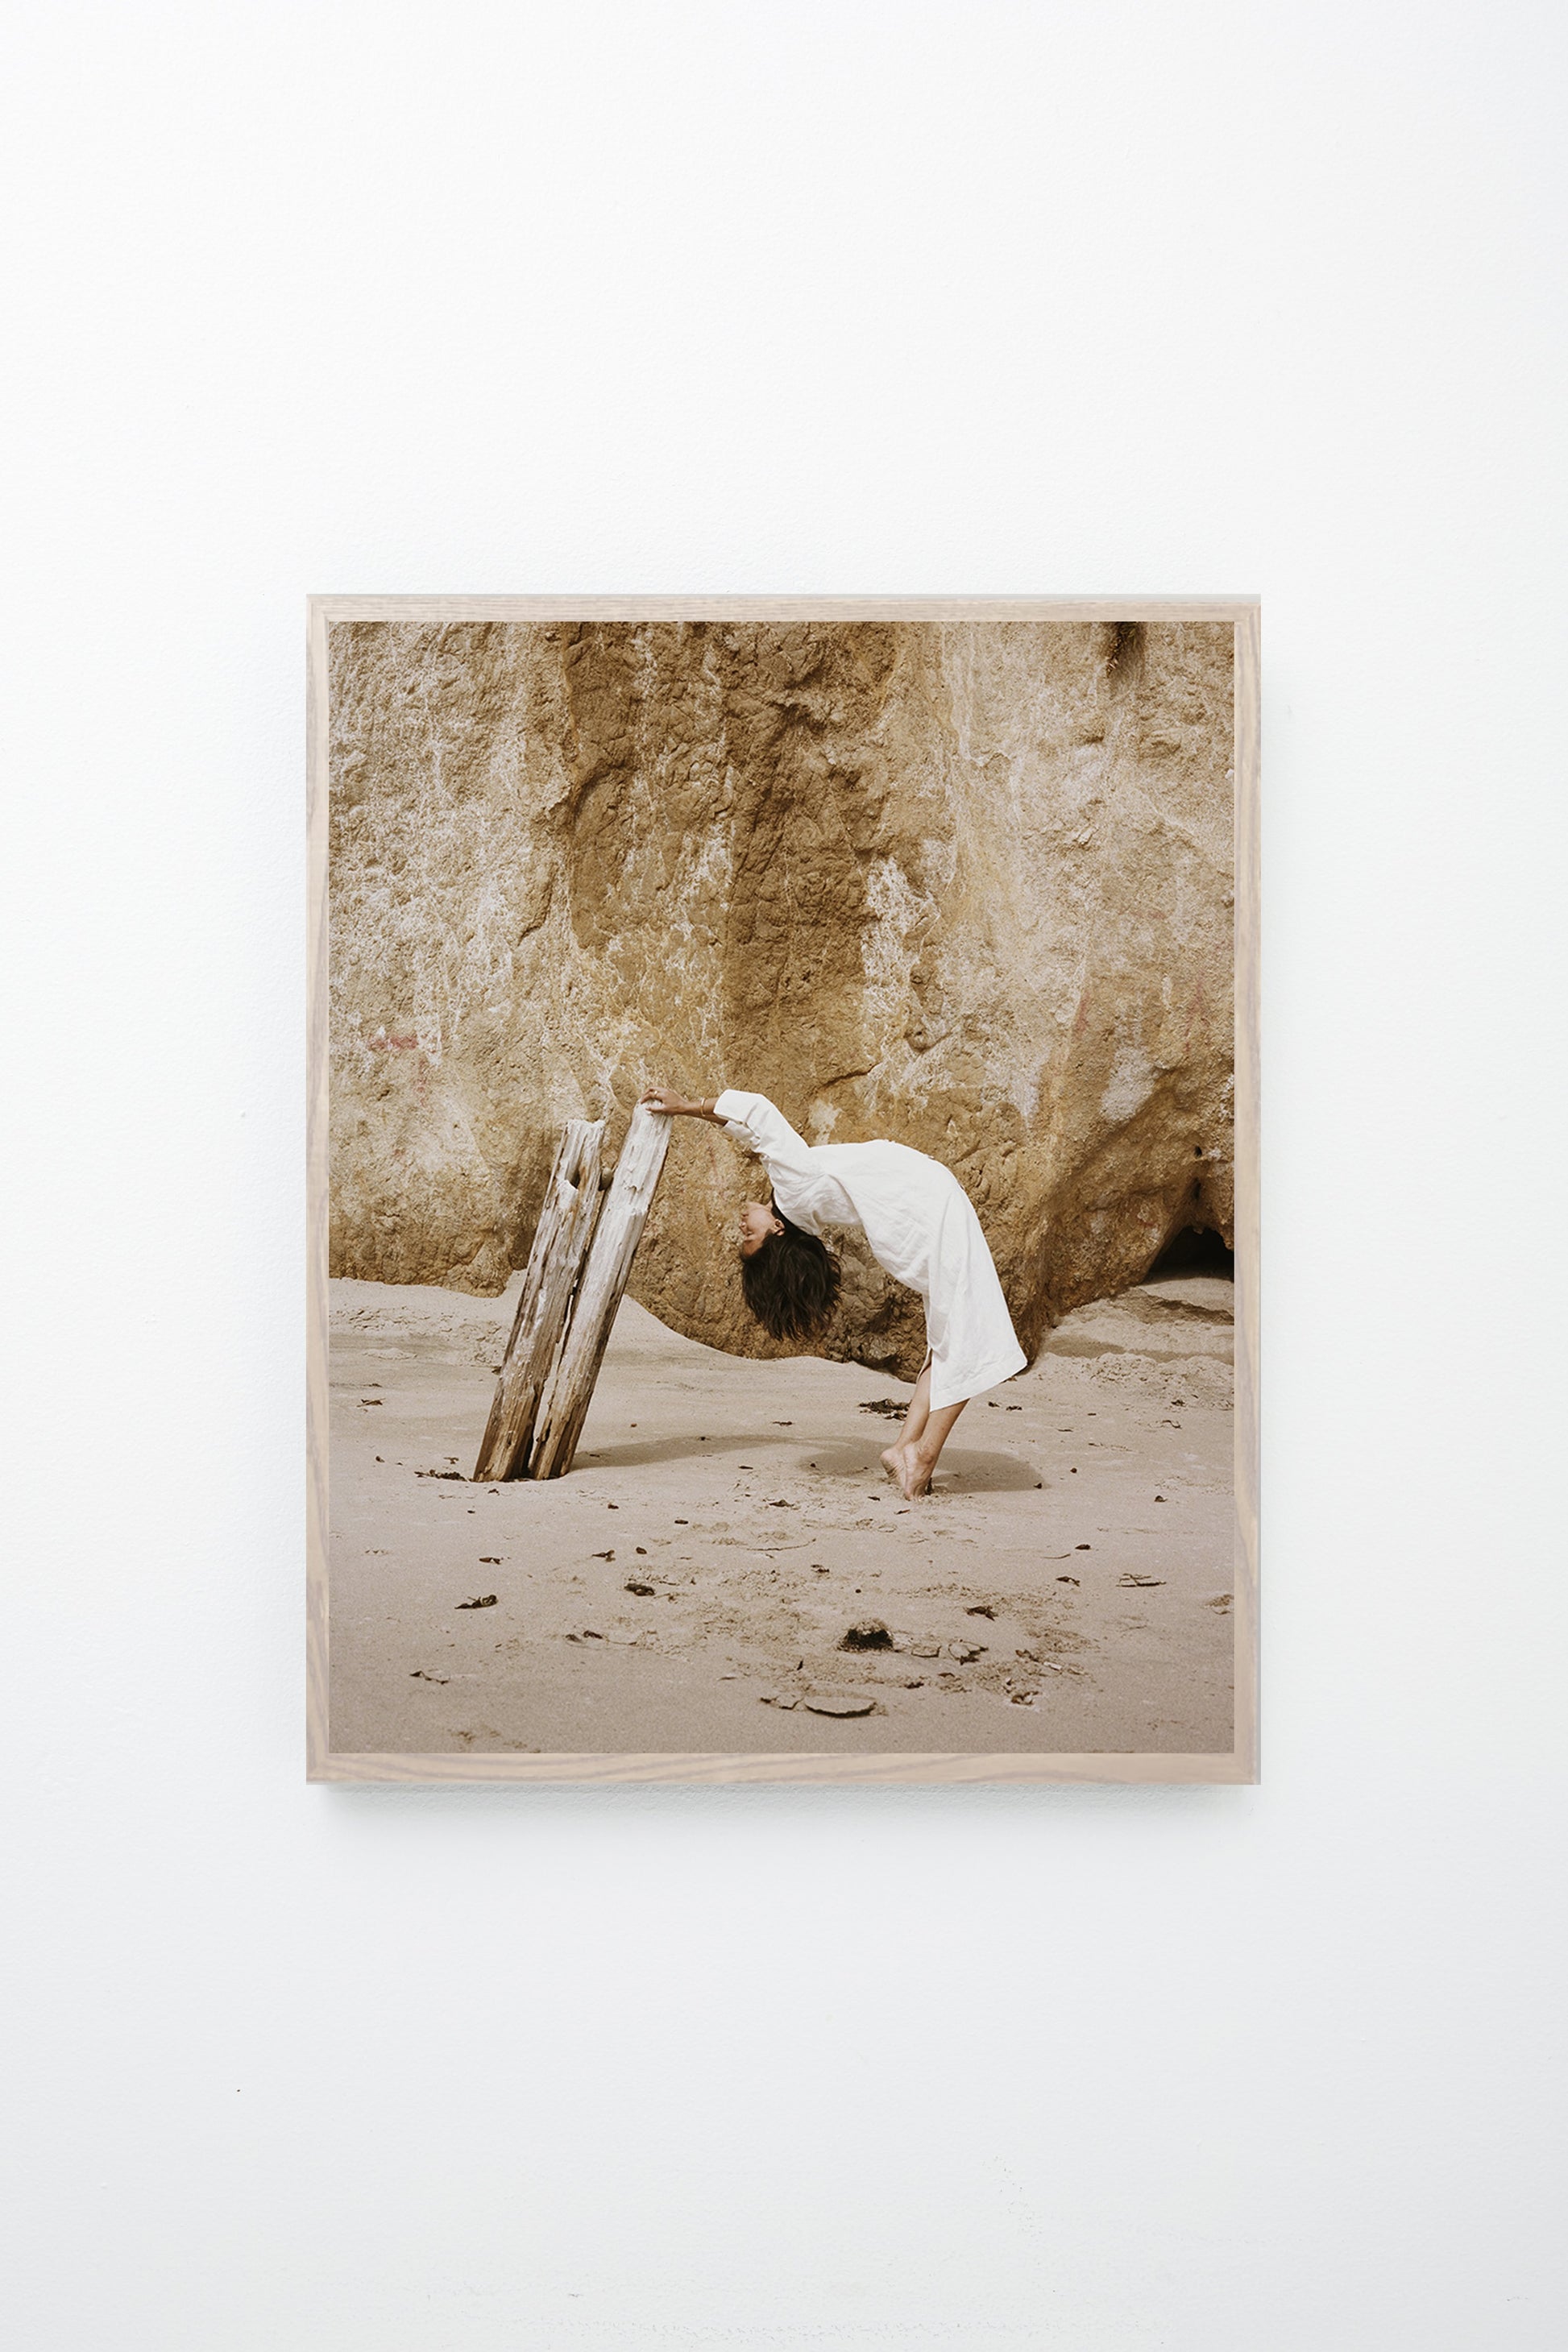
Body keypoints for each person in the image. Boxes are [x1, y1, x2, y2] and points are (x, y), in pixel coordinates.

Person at [639, 1085, 1027, 1498]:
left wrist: (690, 1112)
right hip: (932, 1209)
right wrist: (688, 1106)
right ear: (777, 1230)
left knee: (949, 1341)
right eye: (749, 1234)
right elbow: (757, 1111)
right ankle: (923, 1459)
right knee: (967, 1339)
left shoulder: (795, 1196)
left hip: (923, 1215)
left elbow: (750, 1129)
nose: (741, 1225)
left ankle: (903, 1450)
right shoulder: (793, 1188)